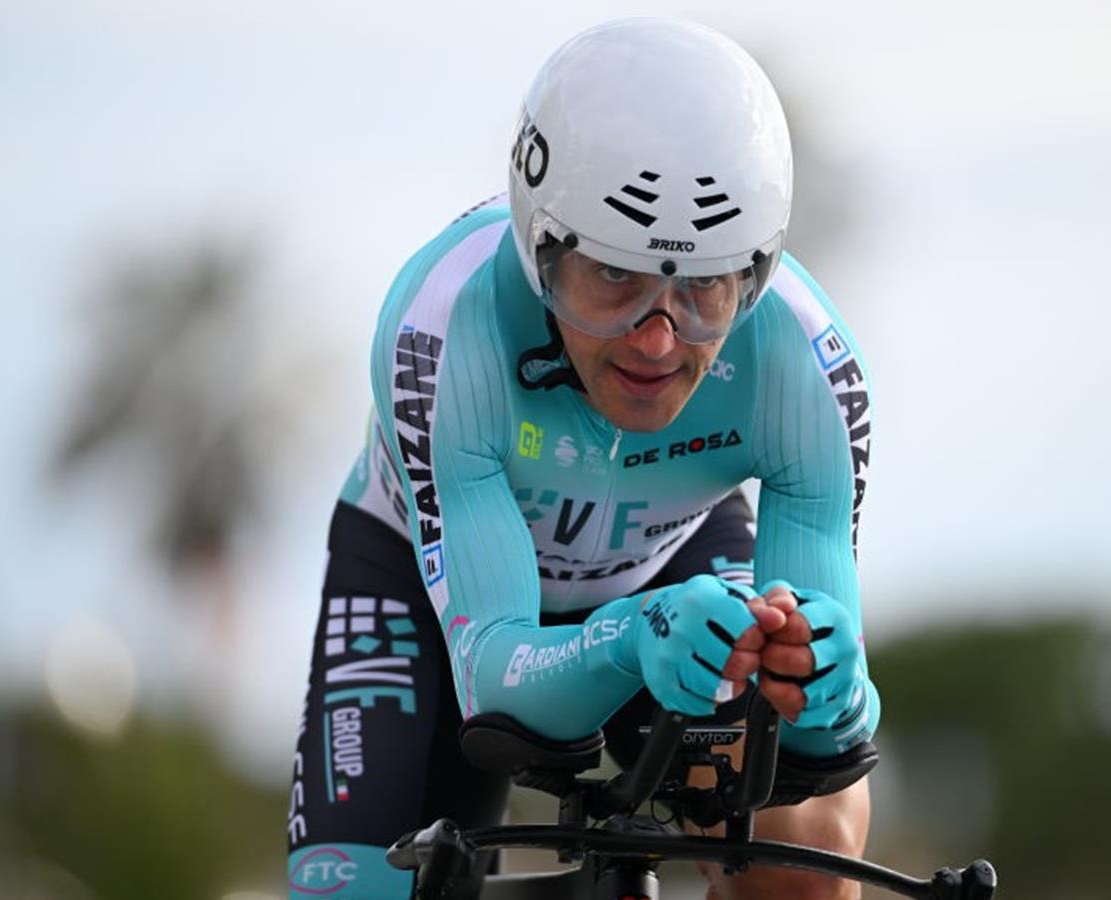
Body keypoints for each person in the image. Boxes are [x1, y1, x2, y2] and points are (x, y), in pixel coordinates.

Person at [286, 17, 879, 900]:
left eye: (704, 287)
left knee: (806, 861)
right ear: (540, 248)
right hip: (424, 579)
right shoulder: (443, 326)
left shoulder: (806, 361)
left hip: (673, 562)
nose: (657, 339)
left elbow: (821, 748)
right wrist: (631, 636)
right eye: (613, 277)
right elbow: (494, 675)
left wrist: (832, 689)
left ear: (754, 274)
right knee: (354, 890)